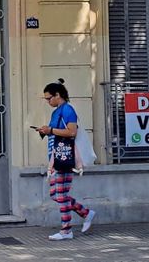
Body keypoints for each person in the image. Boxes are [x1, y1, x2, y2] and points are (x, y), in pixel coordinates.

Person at [36, 79, 95, 240]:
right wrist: (45, 131)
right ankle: (86, 213)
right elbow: (55, 131)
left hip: (65, 156)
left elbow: (71, 132)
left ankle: (66, 230)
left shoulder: (68, 109)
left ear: (58, 95)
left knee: (61, 195)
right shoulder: (57, 111)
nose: (48, 101)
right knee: (55, 194)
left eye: (49, 98)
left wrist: (51, 130)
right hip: (56, 157)